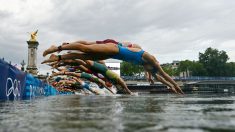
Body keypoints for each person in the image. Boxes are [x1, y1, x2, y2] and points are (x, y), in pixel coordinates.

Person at [42, 42, 184, 94]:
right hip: (115, 49)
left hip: (114, 56)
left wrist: (171, 87)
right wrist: (175, 84)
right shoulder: (150, 59)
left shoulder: (149, 67)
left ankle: (58, 58)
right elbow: (164, 75)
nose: (152, 72)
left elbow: (160, 78)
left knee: (85, 57)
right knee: (85, 48)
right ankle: (58, 48)